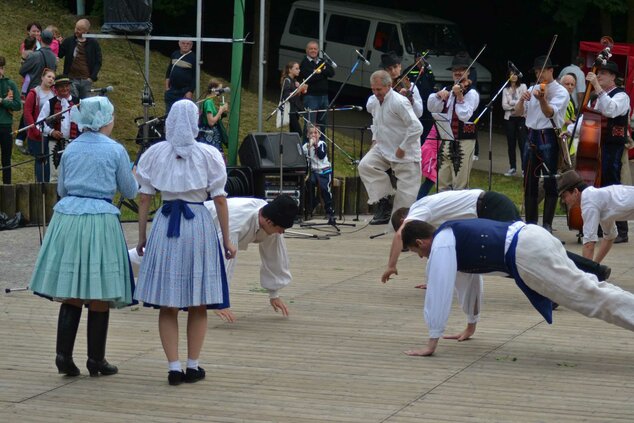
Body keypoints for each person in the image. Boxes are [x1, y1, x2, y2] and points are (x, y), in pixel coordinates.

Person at [398, 218, 634, 357]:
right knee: (591, 288)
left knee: (588, 298)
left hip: (526, 252)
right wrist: (470, 325)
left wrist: (432, 341)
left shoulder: (441, 245)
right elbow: (468, 282)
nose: (420, 257)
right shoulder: (450, 236)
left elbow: (439, 290)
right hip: (532, 235)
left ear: (420, 242)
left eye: (416, 251)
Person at [28, 96, 138, 376]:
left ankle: (63, 355)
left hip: (68, 217)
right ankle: (95, 359)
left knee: (72, 288)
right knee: (100, 287)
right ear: (105, 119)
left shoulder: (70, 150)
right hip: (100, 219)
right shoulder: (116, 151)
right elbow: (130, 191)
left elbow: (63, 188)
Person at [134, 99, 237, 386]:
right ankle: (193, 365)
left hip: (165, 224)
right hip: (197, 225)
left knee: (168, 303)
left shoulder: (154, 153)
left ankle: (173, 367)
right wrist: (227, 240)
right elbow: (219, 199)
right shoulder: (209, 154)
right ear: (194, 122)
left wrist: (142, 236)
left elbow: (144, 197)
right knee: (198, 301)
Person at [382, 189, 611, 286]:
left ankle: (565, 280)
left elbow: (403, 235)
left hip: (491, 207)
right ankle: (587, 272)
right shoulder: (426, 213)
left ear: (404, 221)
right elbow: (442, 250)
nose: (411, 245)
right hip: (489, 208)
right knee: (523, 255)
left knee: (519, 257)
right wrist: (436, 278)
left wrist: (391, 265)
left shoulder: (417, 212)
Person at [129, 195, 298, 322]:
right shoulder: (237, 221)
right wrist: (219, 300)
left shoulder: (271, 221)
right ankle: (117, 264)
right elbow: (224, 258)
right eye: (280, 228)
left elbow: (275, 257)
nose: (281, 233)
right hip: (185, 222)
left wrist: (274, 293)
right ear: (268, 221)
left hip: (205, 232)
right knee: (154, 259)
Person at [359, 70, 423, 225]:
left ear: (389, 86)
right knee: (366, 165)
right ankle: (386, 194)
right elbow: (377, 123)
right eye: (373, 89)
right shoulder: (374, 102)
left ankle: (405, 235)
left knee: (403, 207)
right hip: (384, 148)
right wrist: (375, 140)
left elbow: (416, 127)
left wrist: (403, 147)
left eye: (378, 89)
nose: (375, 93)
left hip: (406, 154)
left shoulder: (399, 102)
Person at [514, 55, 568, 233]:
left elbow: (550, 113)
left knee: (550, 180)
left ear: (551, 70)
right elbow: (518, 113)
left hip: (548, 135)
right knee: (529, 180)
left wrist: (542, 99)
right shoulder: (532, 88)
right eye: (537, 71)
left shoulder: (560, 92)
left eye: (543, 70)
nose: (539, 74)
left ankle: (547, 225)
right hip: (531, 135)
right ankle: (530, 225)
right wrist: (522, 99)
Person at [582, 61, 630, 243]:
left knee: (613, 184)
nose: (599, 76)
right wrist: (570, 130)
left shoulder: (621, 96)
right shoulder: (597, 97)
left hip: (612, 145)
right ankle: (604, 228)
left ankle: (622, 230)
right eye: (598, 73)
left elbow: (610, 110)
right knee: (600, 186)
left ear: (612, 77)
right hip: (597, 145)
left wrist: (596, 86)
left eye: (603, 73)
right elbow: (590, 120)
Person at [427, 52, 480, 191]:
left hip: (464, 141)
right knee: (441, 182)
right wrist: (439, 96)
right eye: (455, 70)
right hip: (446, 139)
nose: (457, 73)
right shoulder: (448, 90)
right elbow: (432, 107)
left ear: (468, 72)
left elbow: (464, 115)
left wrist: (460, 95)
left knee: (460, 184)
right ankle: (444, 211)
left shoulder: (472, 93)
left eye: (461, 70)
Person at [558, 170, 634, 263]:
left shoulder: (589, 202)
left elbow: (589, 245)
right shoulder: (598, 200)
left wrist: (585, 274)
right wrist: (595, 266)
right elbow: (610, 237)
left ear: (575, 191)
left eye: (564, 196)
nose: (563, 201)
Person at [37, 75, 80, 182]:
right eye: (61, 87)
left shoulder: (78, 102)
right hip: (55, 143)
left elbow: (85, 122)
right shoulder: (50, 103)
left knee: (73, 174)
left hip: (74, 143)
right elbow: (39, 123)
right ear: (56, 89)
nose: (65, 89)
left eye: (66, 86)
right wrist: (51, 132)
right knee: (55, 175)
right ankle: (55, 198)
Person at [24, 68, 56, 182]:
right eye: (49, 76)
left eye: (53, 78)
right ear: (42, 77)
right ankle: (39, 184)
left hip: (50, 132)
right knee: (40, 159)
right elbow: (27, 112)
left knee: (49, 159)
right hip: (37, 133)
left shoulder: (54, 93)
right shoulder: (34, 93)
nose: (51, 79)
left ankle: (47, 184)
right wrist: (34, 129)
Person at [59, 18, 102, 99]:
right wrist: (57, 43)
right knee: (72, 103)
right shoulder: (69, 41)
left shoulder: (93, 43)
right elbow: (59, 54)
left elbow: (98, 62)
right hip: (71, 79)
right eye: (76, 28)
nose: (76, 31)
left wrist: (92, 78)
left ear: (86, 31)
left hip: (86, 80)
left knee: (85, 104)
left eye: (79, 29)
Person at [299, 40, 335, 134]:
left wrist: (319, 71)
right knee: (310, 125)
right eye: (311, 49)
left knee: (322, 125)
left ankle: (320, 146)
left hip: (324, 97)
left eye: (315, 49)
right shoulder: (304, 63)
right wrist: (323, 72)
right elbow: (310, 77)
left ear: (318, 50)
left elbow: (331, 72)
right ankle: (306, 146)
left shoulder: (322, 61)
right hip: (311, 97)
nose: (313, 50)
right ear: (307, 50)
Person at [303, 125, 336, 224]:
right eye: (311, 133)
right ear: (307, 135)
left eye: (316, 133)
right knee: (309, 184)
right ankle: (310, 207)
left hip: (324, 170)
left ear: (320, 135)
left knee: (324, 188)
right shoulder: (305, 146)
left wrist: (315, 145)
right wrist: (309, 146)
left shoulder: (322, 144)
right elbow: (304, 156)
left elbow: (321, 156)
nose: (313, 135)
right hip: (314, 171)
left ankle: (329, 211)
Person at [381, 51, 423, 118]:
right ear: (385, 70)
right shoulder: (381, 87)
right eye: (389, 69)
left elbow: (419, 113)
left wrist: (412, 101)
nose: (393, 71)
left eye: (395, 67)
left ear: (400, 66)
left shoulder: (410, 86)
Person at [0, 57, 22, 184]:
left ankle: (7, 187)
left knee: (6, 159)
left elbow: (18, 105)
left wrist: (3, 102)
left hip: (5, 125)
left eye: (1, 68)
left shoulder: (10, 84)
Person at [501, 71, 528, 176]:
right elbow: (504, 106)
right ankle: (512, 167)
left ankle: (524, 169)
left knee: (522, 143)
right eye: (512, 74)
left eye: (516, 74)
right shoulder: (505, 89)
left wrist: (512, 104)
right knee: (511, 143)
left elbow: (525, 102)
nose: (514, 76)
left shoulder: (523, 86)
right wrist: (515, 106)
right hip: (509, 118)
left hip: (521, 117)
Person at [408, 53, 436, 141]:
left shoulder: (428, 69)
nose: (421, 60)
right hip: (417, 102)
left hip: (427, 102)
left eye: (423, 59)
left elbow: (432, 82)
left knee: (427, 126)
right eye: (419, 58)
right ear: (415, 59)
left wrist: (427, 69)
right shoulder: (411, 69)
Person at [198, 78, 229, 156]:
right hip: (210, 137)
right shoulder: (208, 102)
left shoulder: (210, 101)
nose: (221, 93)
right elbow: (211, 122)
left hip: (212, 136)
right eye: (220, 90)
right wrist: (220, 111)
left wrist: (222, 113)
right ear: (213, 90)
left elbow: (214, 118)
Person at [164, 39, 195, 115]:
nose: (185, 45)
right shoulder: (175, 54)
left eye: (188, 44)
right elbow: (168, 71)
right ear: (179, 44)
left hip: (184, 91)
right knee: (169, 113)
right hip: (172, 90)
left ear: (191, 45)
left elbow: (195, 77)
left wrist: (190, 91)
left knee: (182, 114)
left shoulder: (193, 57)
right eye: (183, 43)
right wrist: (167, 88)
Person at [280, 61, 306, 136]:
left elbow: (297, 95)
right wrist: (299, 90)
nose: (299, 70)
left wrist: (303, 89)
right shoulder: (287, 81)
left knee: (293, 133)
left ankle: (291, 146)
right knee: (298, 133)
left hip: (295, 109)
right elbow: (287, 96)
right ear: (290, 70)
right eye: (296, 69)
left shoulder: (294, 81)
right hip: (290, 110)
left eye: (299, 68)